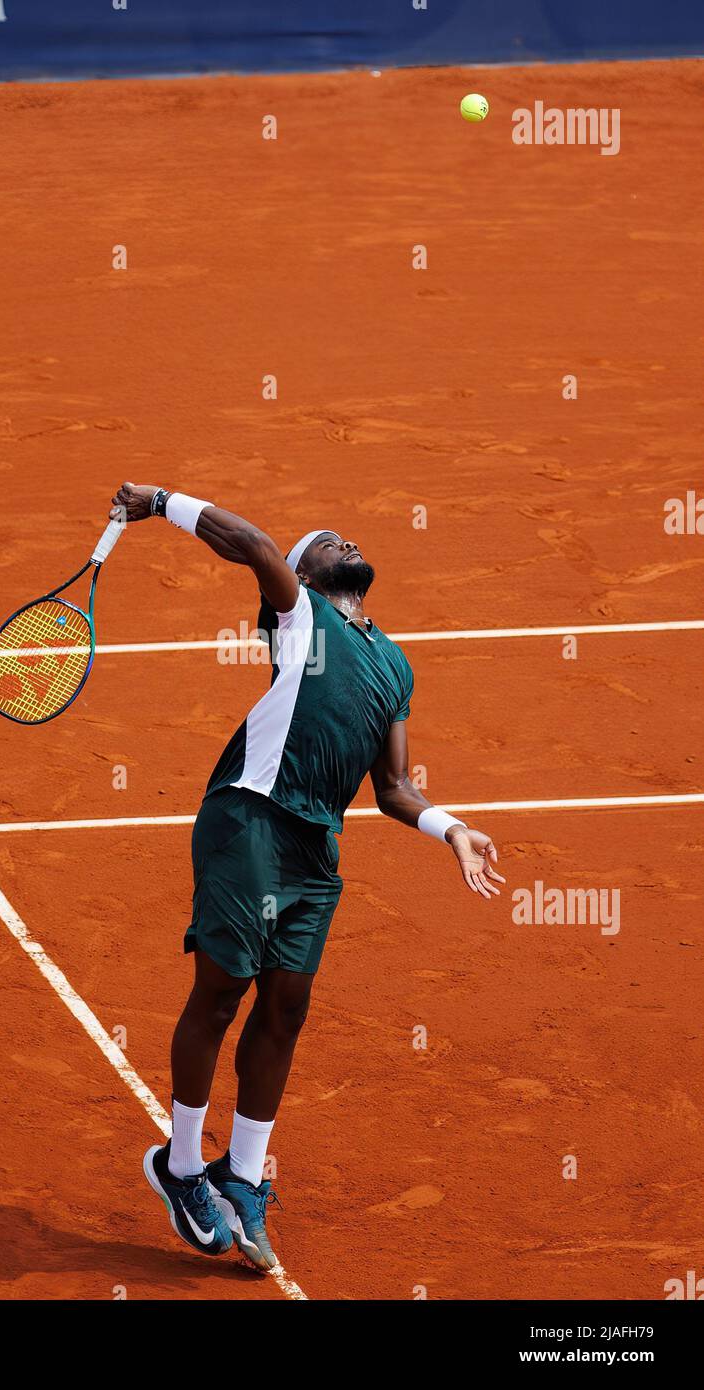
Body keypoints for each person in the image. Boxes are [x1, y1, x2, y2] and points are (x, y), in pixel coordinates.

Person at [109, 482, 505, 1272]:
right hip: (249, 817)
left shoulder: (394, 664)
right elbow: (253, 546)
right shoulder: (300, 621)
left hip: (315, 847)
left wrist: (452, 828)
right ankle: (182, 1165)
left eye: (348, 537)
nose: (344, 540)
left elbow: (391, 789)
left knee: (286, 1007)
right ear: (306, 575)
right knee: (222, 990)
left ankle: (244, 1176)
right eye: (326, 541)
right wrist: (160, 501)